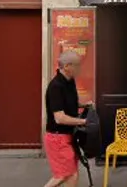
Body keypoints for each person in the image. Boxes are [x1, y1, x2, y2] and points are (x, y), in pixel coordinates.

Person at [44, 51, 87, 187]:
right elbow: (59, 118)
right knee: (65, 175)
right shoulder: (55, 87)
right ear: (67, 66)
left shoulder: (70, 81)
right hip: (57, 138)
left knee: (70, 174)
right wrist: (83, 122)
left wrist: (86, 105)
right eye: (77, 65)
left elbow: (71, 103)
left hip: (68, 136)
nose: (80, 68)